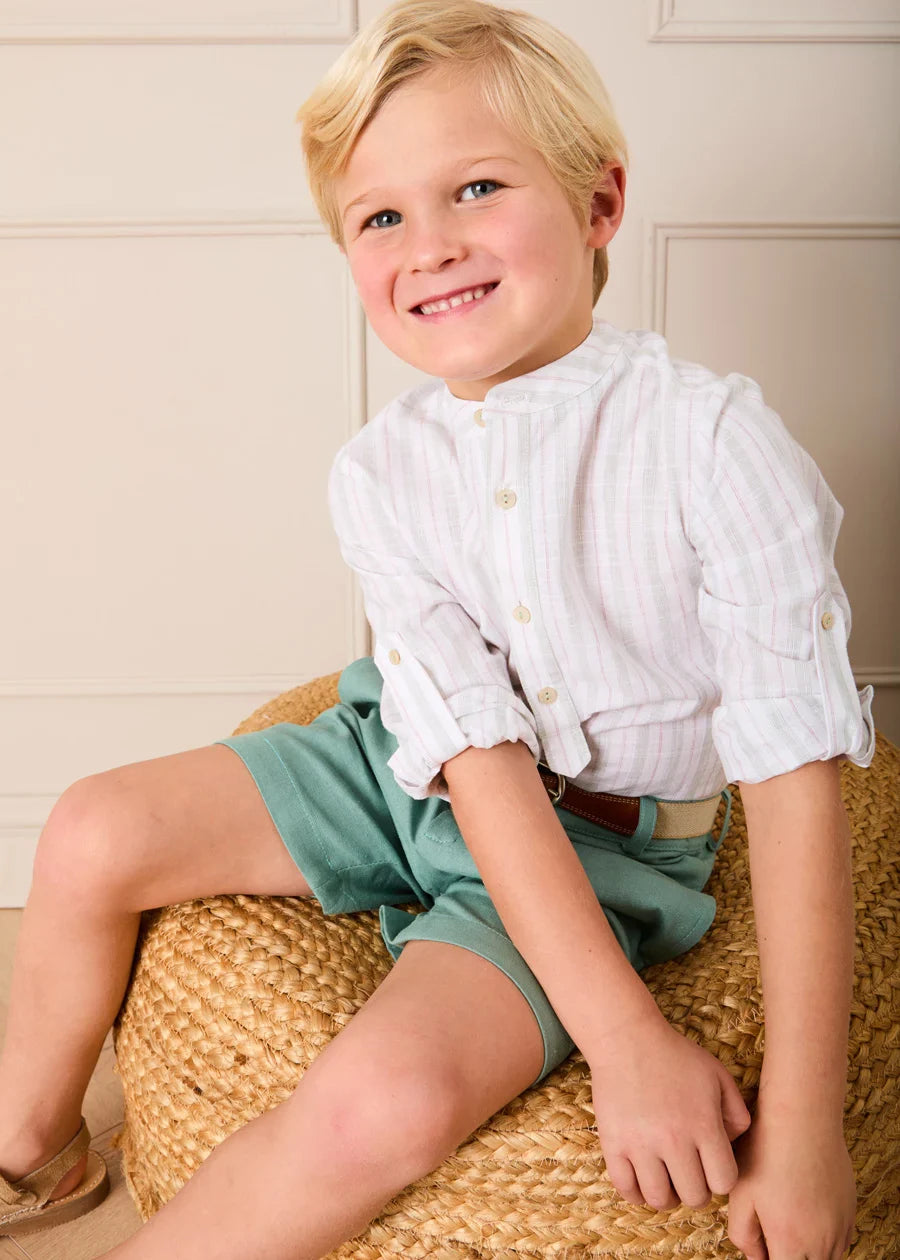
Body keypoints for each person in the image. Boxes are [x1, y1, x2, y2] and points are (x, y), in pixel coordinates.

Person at [0, 2, 874, 1258]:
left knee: (386, 1102)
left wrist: (788, 1120)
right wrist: (623, 1038)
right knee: (92, 827)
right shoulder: (380, 473)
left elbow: (794, 778)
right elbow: (470, 753)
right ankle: (31, 1150)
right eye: (380, 218)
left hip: (601, 840)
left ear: (599, 202)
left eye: (476, 187)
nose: (432, 247)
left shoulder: (716, 444)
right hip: (402, 764)